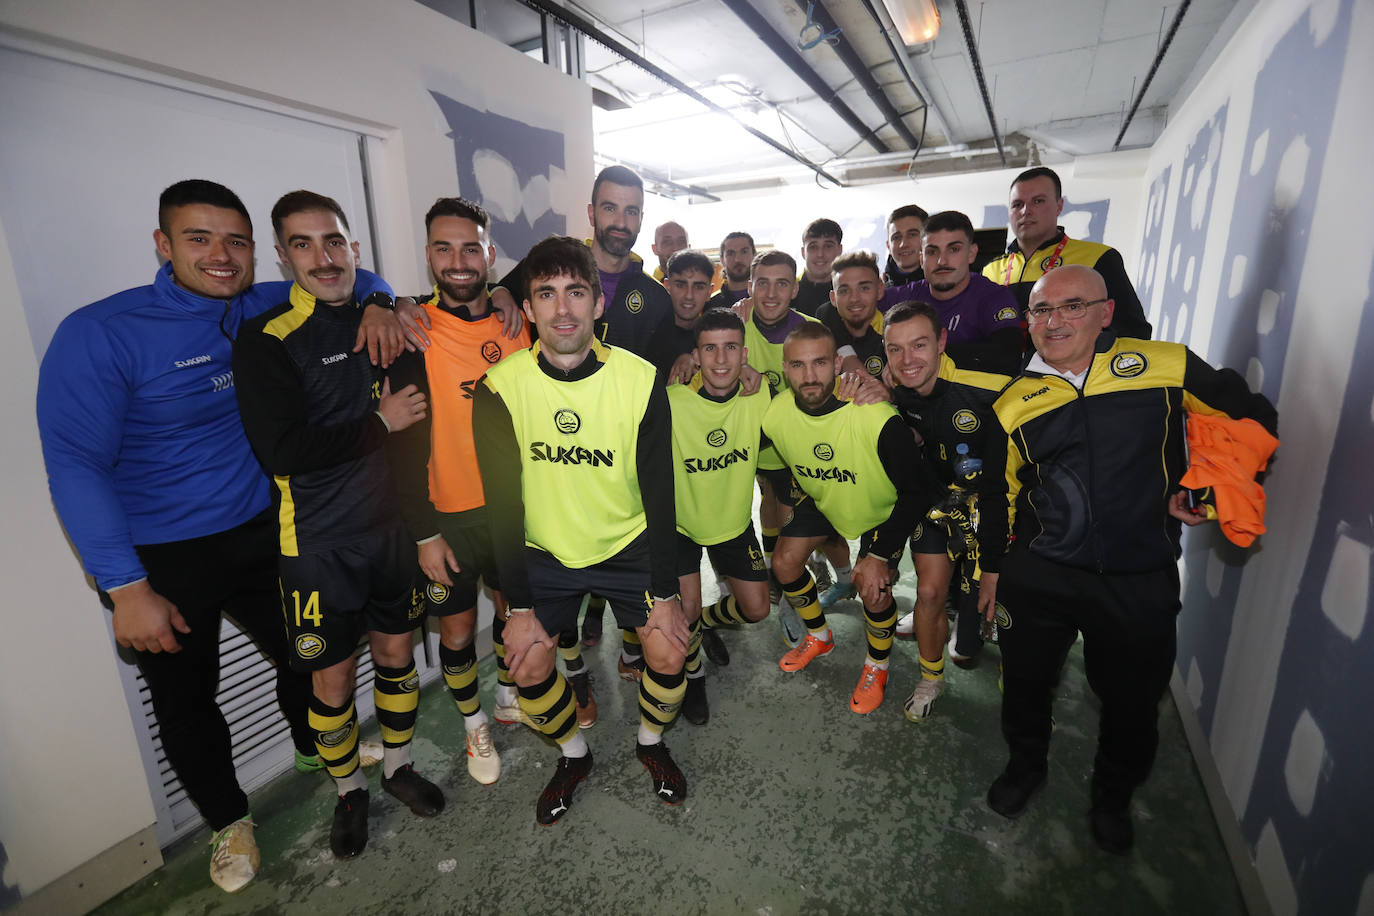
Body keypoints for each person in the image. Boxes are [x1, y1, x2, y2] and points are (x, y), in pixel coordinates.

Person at [35, 179, 402, 892]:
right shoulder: (102, 332)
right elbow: (75, 464)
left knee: (310, 660)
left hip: (269, 530)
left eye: (234, 240)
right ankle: (230, 821)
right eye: (198, 239)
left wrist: (384, 302)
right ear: (162, 244)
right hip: (165, 556)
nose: (220, 255)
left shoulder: (264, 302)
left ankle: (319, 758)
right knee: (186, 698)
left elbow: (354, 273)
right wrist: (124, 585)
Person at [977, 265, 1276, 854]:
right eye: (1041, 310)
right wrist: (992, 569)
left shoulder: (1166, 365)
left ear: (1106, 312)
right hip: (1040, 575)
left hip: (1140, 575)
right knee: (1025, 686)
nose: (1054, 320)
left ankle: (1112, 797)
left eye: (1071, 306)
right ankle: (1025, 768)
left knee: (1133, 702)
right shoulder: (1012, 403)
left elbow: (1253, 419)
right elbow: (998, 493)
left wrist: (1207, 495)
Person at [233, 190, 445, 861]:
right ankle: (349, 792)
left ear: (355, 250)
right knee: (331, 683)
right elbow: (283, 452)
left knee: (396, 659)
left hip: (391, 533)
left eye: (333, 242)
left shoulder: (388, 320)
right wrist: (379, 423)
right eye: (302, 244)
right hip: (318, 546)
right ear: (282, 255)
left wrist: (394, 301)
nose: (321, 258)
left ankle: (399, 767)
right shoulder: (266, 340)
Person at [473, 235, 690, 825]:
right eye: (546, 293)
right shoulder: (499, 388)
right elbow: (502, 510)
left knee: (670, 647)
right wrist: (517, 605)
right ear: (528, 305)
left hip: (629, 543)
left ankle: (649, 742)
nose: (562, 308)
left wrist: (668, 595)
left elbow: (660, 493)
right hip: (545, 552)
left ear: (598, 304)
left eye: (576, 292)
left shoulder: (641, 379)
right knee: (525, 663)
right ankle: (573, 756)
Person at [387, 197, 545, 780]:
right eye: (444, 248)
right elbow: (402, 444)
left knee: (511, 610)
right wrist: (423, 532)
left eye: (470, 247)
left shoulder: (519, 323)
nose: (458, 261)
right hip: (446, 516)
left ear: (489, 254)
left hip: (512, 509)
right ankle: (474, 726)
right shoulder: (413, 331)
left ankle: (506, 700)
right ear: (428, 255)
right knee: (455, 629)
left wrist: (508, 294)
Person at [761, 323, 937, 714]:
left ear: (838, 363)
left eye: (820, 363)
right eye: (798, 365)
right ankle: (819, 635)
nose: (809, 376)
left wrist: (880, 555)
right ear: (785, 368)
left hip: (881, 508)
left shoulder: (875, 416)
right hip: (827, 498)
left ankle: (877, 664)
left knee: (870, 586)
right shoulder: (774, 414)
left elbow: (917, 492)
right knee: (784, 564)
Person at [884, 301, 1011, 718]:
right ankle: (929, 680)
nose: (907, 360)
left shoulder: (993, 387)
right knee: (928, 592)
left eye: (919, 345)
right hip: (937, 503)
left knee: (999, 613)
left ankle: (1021, 683)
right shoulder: (891, 391)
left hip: (996, 512)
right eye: (895, 349)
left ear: (941, 341)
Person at [667, 309, 774, 724]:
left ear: (744, 354)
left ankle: (704, 624)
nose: (722, 359)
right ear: (695, 356)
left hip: (732, 521)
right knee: (686, 608)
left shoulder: (759, 395)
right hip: (682, 525)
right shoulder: (672, 401)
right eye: (710, 349)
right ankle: (694, 677)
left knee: (757, 609)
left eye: (731, 347)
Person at [500, 165, 672, 361]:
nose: (621, 222)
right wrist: (500, 292)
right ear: (591, 214)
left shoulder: (657, 298)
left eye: (631, 212)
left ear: (641, 220)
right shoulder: (545, 269)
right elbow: (490, 296)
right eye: (610, 208)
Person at [982, 167, 1152, 339]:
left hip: (1068, 366)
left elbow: (1133, 332)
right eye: (1017, 204)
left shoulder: (1098, 258)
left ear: (1059, 205)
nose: (1026, 211)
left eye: (1038, 201)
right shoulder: (989, 269)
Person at [883, 210, 1022, 374]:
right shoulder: (902, 298)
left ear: (971, 254)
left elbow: (1007, 358)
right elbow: (850, 308)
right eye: (932, 252)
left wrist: (915, 360)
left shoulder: (994, 297)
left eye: (954, 249)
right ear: (922, 259)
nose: (942, 261)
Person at [817, 250, 888, 381]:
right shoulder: (821, 332)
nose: (854, 298)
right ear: (833, 298)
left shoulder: (893, 336)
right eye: (844, 291)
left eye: (864, 288)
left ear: (879, 290)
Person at [794, 218, 843, 317]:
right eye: (813, 247)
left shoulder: (849, 293)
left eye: (828, 246)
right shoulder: (789, 292)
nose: (820, 254)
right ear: (803, 252)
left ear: (840, 250)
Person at [705, 231, 756, 309]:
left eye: (744, 252)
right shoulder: (711, 305)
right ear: (722, 260)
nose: (737, 259)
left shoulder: (767, 301)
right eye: (731, 253)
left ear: (754, 255)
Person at [883, 204, 928, 286]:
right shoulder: (878, 294)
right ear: (888, 246)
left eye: (912, 235)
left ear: (928, 239)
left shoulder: (946, 287)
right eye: (896, 237)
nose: (903, 244)